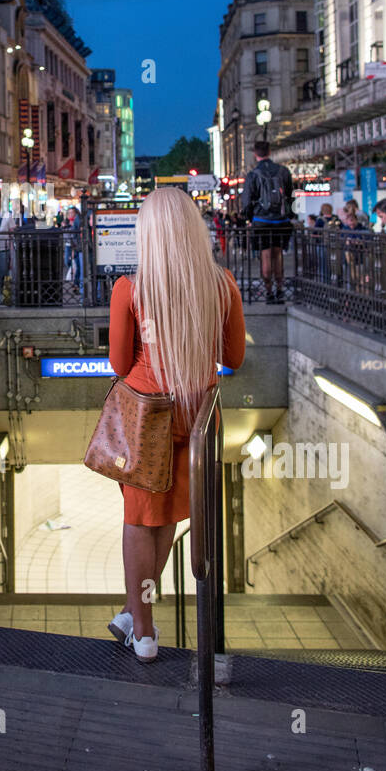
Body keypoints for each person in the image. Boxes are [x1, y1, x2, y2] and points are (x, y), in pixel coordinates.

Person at [107, 188, 246, 662]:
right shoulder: (222, 284)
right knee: (165, 515)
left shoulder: (131, 290)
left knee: (139, 520)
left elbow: (120, 363)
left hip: (149, 416)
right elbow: (233, 358)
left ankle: (143, 634)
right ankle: (133, 610)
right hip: (199, 415)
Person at [241, 140, 294, 303]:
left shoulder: (253, 174)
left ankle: (269, 292)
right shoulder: (283, 171)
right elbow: (290, 195)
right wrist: (288, 215)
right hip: (281, 220)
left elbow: (247, 200)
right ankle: (280, 290)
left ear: (255, 154)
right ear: (269, 152)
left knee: (265, 256)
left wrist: (249, 218)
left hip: (261, 220)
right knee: (277, 255)